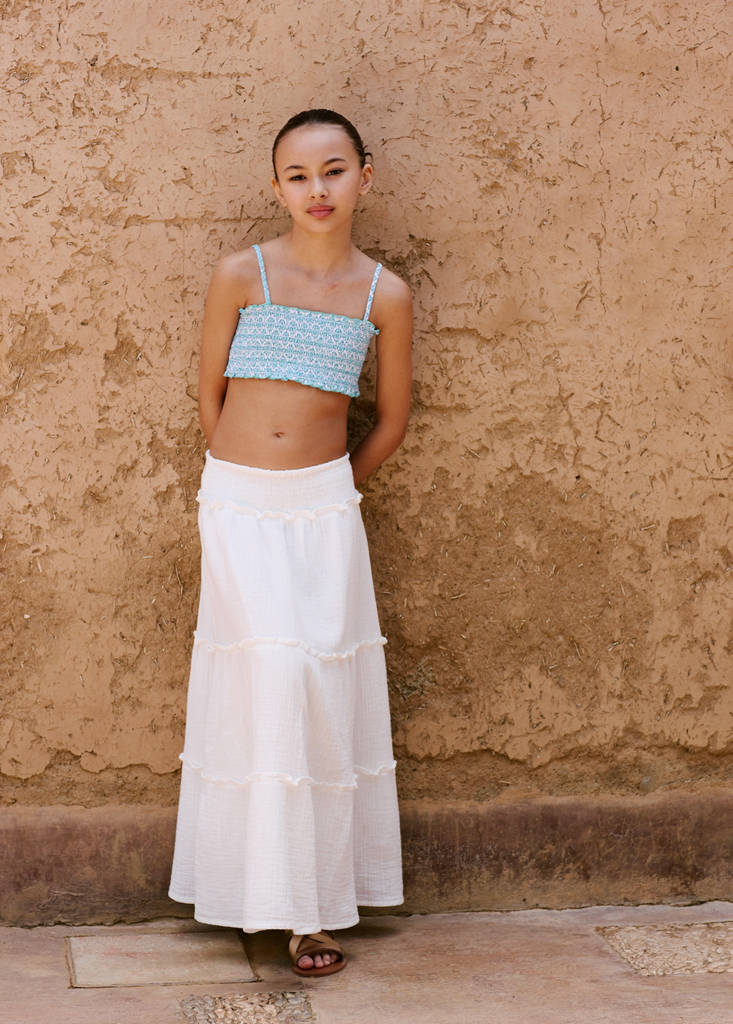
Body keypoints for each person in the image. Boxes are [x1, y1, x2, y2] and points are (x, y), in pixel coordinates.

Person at [168, 108, 413, 977]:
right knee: (269, 677)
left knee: (316, 690)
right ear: (277, 188)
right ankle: (257, 896)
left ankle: (311, 911)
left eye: (333, 171)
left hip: (323, 510)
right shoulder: (242, 273)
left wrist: (330, 488)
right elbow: (209, 394)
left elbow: (390, 419)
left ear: (363, 178)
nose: (318, 189)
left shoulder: (383, 293)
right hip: (239, 506)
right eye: (299, 176)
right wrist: (239, 478)